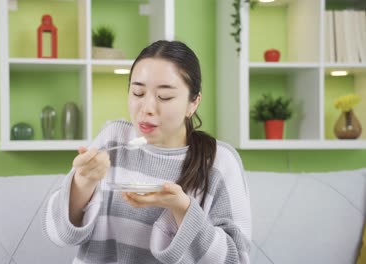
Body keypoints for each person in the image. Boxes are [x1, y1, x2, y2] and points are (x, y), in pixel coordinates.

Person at [45, 40, 251, 263]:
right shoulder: (113, 139)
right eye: (138, 92)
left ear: (193, 103)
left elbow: (237, 259)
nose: (147, 108)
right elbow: (59, 234)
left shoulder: (220, 163)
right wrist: (82, 183)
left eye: (164, 97)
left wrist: (182, 208)